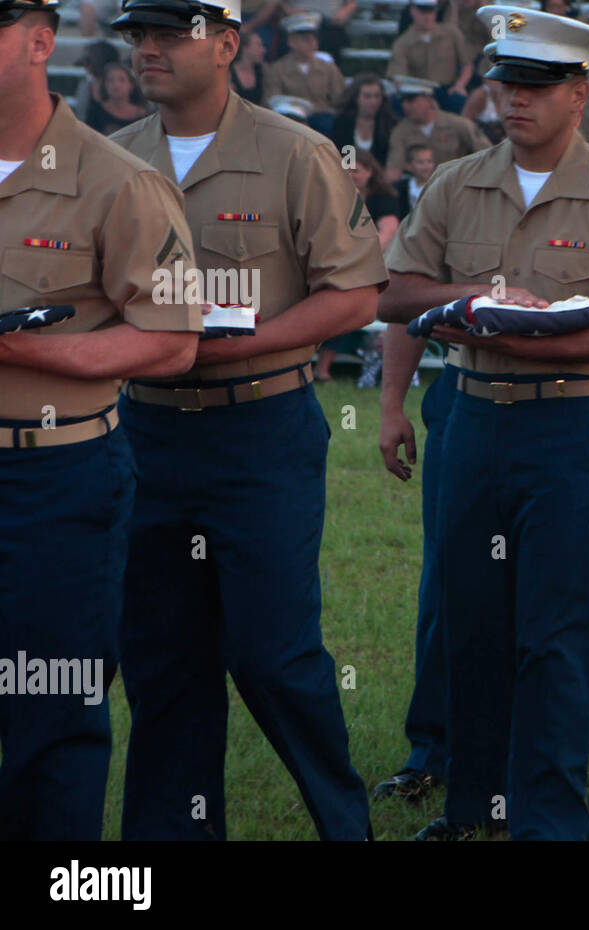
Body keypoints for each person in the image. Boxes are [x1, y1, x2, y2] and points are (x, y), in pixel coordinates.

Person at [378, 6, 589, 841]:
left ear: (578, 94)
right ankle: (472, 803)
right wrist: (453, 327)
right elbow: (397, 293)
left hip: (565, 425)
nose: (515, 99)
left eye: (536, 85)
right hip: (470, 421)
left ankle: (548, 813)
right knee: (469, 621)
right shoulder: (455, 182)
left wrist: (534, 330)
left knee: (559, 626)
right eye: (505, 82)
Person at [109, 0, 388, 839]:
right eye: (137, 35)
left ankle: (346, 827)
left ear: (228, 43)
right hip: (145, 434)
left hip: (258, 429)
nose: (149, 48)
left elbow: (357, 291)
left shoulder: (295, 153)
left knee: (275, 656)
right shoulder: (111, 159)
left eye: (170, 32)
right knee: (161, 661)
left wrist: (237, 345)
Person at [0, 0, 203, 840]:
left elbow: (174, 341)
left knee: (50, 706)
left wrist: (21, 354)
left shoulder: (119, 181)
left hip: (53, 477)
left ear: (41, 40)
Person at [316, 149, 400, 382]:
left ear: (370, 172)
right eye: (346, 169)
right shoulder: (330, 196)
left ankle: (323, 368)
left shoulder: (383, 198)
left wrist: (360, 258)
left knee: (347, 300)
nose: (350, 174)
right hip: (333, 264)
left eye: (356, 169)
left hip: (372, 267)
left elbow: (388, 231)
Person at [385, 75, 490, 183]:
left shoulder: (458, 125)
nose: (405, 105)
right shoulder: (400, 132)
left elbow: (488, 156)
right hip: (421, 191)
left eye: (411, 100)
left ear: (428, 100)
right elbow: (393, 172)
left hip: (455, 186)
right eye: (403, 100)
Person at [387, 0, 475, 114]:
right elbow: (398, 77)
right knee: (398, 103)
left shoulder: (452, 33)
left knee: (460, 100)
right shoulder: (402, 43)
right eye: (423, 12)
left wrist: (460, 85)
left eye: (431, 11)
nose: (428, 16)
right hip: (419, 91)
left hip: (446, 89)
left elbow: (467, 65)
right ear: (413, 11)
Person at [262, 11, 345, 122]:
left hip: (321, 119)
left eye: (314, 39)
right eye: (306, 40)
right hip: (290, 120)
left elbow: (339, 99)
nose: (313, 44)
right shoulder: (278, 69)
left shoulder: (329, 68)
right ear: (291, 42)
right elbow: (272, 99)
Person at [331, 72, 398, 170]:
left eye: (377, 96)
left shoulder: (390, 124)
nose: (373, 101)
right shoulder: (341, 123)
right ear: (356, 98)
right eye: (367, 96)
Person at [86, 59, 150, 134]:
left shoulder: (143, 116)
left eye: (121, 80)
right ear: (105, 85)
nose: (116, 85)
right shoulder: (95, 112)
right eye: (110, 80)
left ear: (131, 85)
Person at [396, 141, 436, 217]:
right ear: (408, 165)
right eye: (420, 162)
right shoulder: (399, 188)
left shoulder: (438, 186)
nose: (426, 166)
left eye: (429, 161)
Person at [230, 27, 265, 104]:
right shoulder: (228, 72)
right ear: (245, 48)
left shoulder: (263, 71)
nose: (263, 50)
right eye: (258, 45)